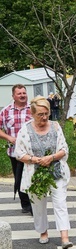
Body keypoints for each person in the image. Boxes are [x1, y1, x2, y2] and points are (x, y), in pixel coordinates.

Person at [14, 96, 72, 247]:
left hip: (56, 171)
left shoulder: (56, 126)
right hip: (35, 174)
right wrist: (35, 159)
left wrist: (51, 157)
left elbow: (64, 149)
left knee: (60, 202)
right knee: (38, 205)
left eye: (46, 113)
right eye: (40, 114)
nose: (44, 117)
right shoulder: (25, 130)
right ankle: (43, 231)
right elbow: (19, 153)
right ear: (32, 114)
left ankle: (64, 237)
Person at [0, 84, 33, 214]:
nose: (22, 95)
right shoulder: (6, 111)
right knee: (19, 177)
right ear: (13, 96)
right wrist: (9, 138)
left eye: (24, 93)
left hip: (32, 151)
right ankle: (25, 203)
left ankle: (33, 202)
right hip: (14, 151)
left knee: (31, 176)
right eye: (19, 93)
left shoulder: (33, 109)